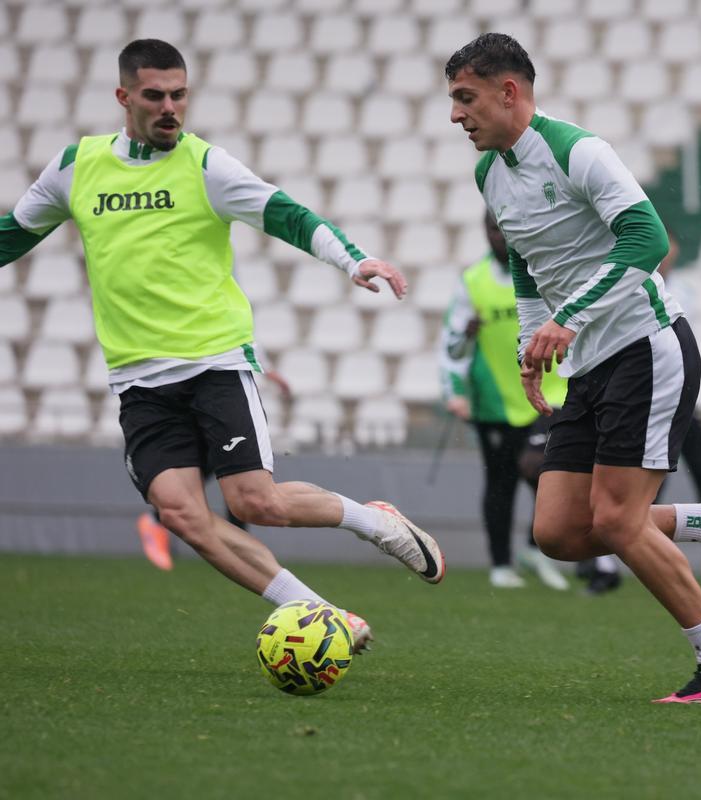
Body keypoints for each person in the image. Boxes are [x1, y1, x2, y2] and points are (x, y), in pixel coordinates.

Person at [0, 39, 446, 652]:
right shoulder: (76, 166)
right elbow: (13, 234)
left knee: (256, 502)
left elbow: (286, 214)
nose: (169, 108)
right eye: (154, 96)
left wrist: (353, 260)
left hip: (213, 363)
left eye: (179, 95)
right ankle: (318, 614)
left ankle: (375, 521)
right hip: (136, 379)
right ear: (123, 97)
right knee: (182, 515)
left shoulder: (206, 166)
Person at [446, 33, 701, 704]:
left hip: (646, 347)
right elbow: (526, 259)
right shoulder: (489, 173)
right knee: (561, 532)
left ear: (509, 92)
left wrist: (569, 318)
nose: (456, 115)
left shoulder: (578, 151)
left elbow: (648, 238)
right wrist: (533, 342)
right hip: (591, 364)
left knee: (620, 522)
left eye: (465, 98)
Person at [580, 229, 701, 594]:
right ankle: (616, 561)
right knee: (641, 487)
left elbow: (682, 343)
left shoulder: (684, 292)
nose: (665, 258)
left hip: (675, 393)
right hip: (643, 396)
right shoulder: (627, 285)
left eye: (670, 253)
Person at [439, 210, 570, 590]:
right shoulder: (472, 281)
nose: (498, 237)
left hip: (547, 393)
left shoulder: (544, 271)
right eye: (491, 230)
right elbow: (451, 346)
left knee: (547, 472)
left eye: (503, 229)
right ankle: (501, 564)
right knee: (500, 481)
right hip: (494, 400)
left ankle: (535, 545)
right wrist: (456, 390)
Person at [136, 369, 292, 571]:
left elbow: (253, 352)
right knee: (231, 478)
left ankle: (239, 550)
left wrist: (274, 377)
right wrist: (275, 377)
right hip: (215, 406)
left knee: (240, 486)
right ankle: (155, 519)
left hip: (230, 405)